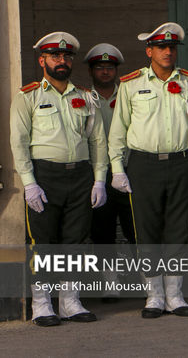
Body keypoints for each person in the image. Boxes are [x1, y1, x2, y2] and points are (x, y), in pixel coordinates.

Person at [107, 22, 188, 318]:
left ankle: (175, 295)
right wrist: (117, 169)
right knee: (147, 230)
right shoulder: (131, 84)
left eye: (171, 47)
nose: (167, 51)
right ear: (149, 50)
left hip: (181, 162)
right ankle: (153, 295)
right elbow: (117, 131)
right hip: (143, 164)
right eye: (161, 47)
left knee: (177, 230)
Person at [10, 32, 108, 326]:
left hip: (79, 175)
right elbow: (19, 142)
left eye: (66, 56)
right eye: (55, 56)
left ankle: (69, 301)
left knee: (76, 241)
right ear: (43, 61)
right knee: (43, 242)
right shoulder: (28, 96)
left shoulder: (85, 97)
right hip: (45, 175)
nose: (62, 61)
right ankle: (42, 303)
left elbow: (98, 142)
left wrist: (99, 179)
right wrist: (29, 182)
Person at [83, 43, 136, 302]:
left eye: (110, 67)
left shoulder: (128, 95)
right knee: (102, 230)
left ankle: (145, 281)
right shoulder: (83, 98)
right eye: (100, 68)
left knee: (135, 227)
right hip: (96, 175)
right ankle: (110, 282)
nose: (105, 72)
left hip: (127, 170)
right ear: (91, 71)